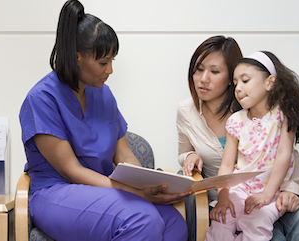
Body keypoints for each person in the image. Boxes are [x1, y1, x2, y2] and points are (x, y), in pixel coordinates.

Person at [19, 1, 189, 240]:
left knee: (173, 222)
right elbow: (73, 171)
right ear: (77, 57)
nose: (110, 70)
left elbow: (124, 155)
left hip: (103, 190)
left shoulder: (103, 94)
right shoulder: (42, 98)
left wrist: (150, 184)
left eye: (112, 61)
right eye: (102, 62)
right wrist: (136, 193)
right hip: (57, 193)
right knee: (142, 218)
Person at [177, 36, 299, 240]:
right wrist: (189, 156)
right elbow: (195, 155)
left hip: (273, 189)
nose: (203, 79)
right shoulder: (194, 112)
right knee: (223, 222)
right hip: (231, 191)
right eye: (198, 69)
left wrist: (287, 190)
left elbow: (288, 155)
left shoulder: (259, 108)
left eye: (214, 71)